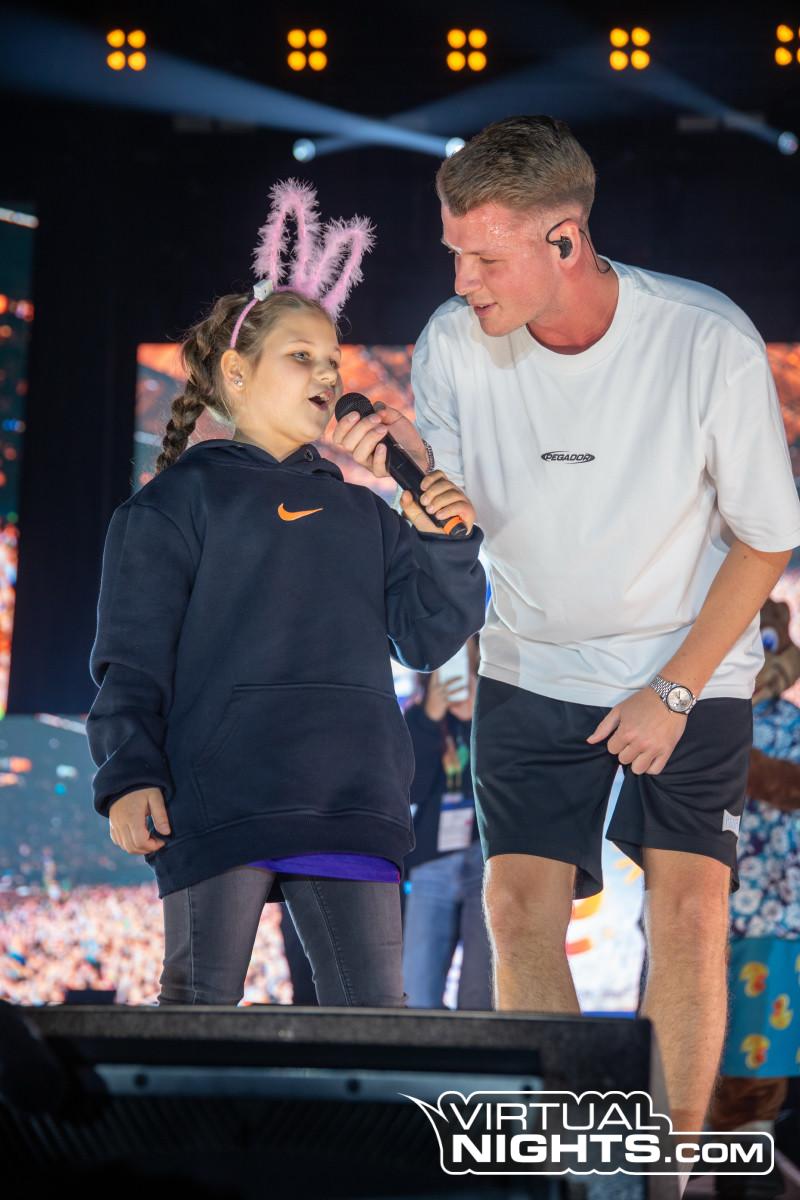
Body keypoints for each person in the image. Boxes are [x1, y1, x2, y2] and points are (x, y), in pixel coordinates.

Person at [330, 117, 800, 1143]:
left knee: (688, 918)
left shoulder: (704, 337)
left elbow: (767, 537)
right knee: (515, 914)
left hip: (689, 663)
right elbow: (457, 517)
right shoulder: (451, 344)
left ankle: (665, 1176)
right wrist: (409, 472)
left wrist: (672, 690)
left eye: (484, 257)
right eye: (454, 252)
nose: (462, 281)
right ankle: (585, 1160)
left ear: (565, 240)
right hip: (530, 661)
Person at [86, 181, 486, 1008]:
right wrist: (127, 775)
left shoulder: (367, 513)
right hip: (219, 797)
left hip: (352, 799)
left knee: (373, 1025)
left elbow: (427, 638)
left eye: (332, 361)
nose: (327, 374)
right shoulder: (173, 504)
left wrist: (443, 538)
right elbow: (132, 660)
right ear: (235, 374)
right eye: (300, 356)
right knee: (198, 1008)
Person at [402, 634, 492, 1009]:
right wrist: (429, 718)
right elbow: (409, 789)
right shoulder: (416, 717)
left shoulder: (498, 712)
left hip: (486, 859)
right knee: (416, 992)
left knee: (481, 993)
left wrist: (480, 715)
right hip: (431, 862)